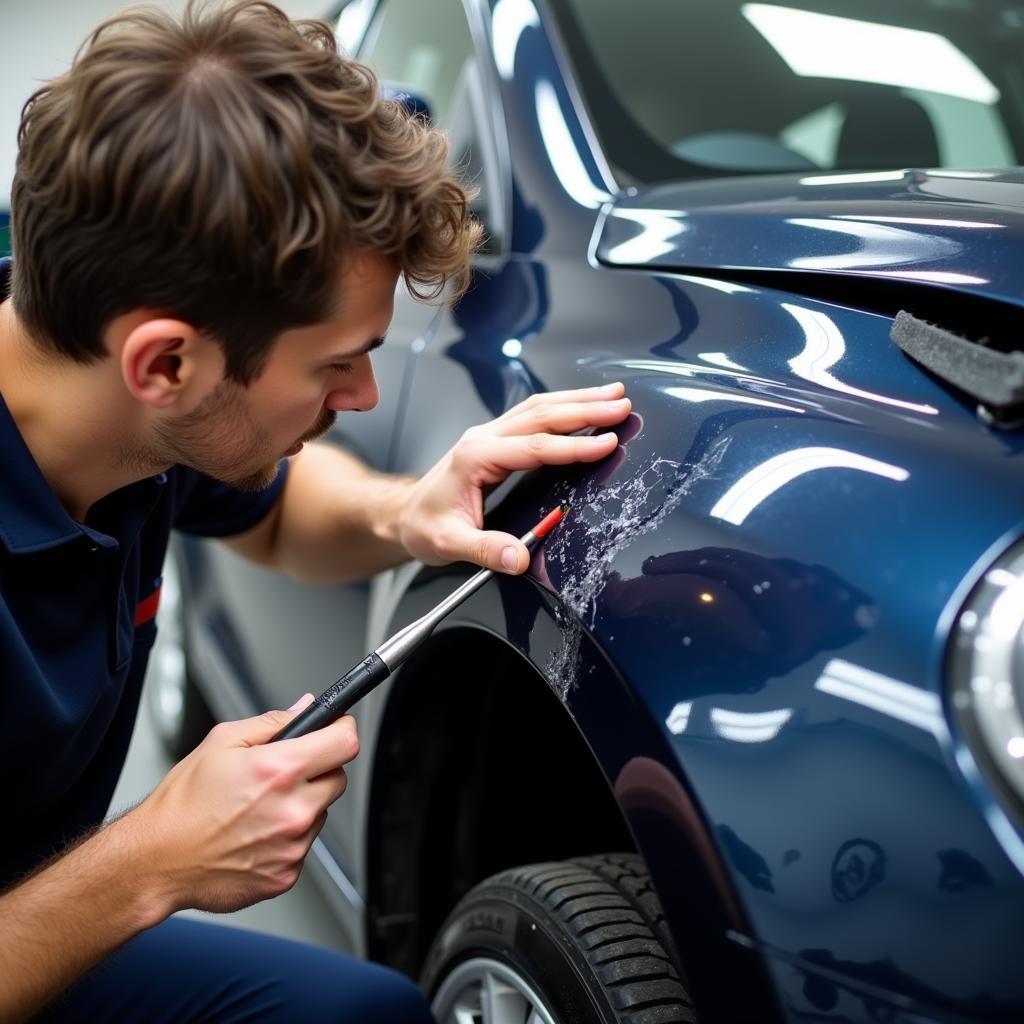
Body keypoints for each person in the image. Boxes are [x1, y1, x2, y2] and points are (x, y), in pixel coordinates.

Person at [0, 1, 631, 1021]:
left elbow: (278, 512)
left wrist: (408, 512)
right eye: (337, 365)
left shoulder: (125, 414)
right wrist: (146, 862)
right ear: (165, 361)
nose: (365, 401)